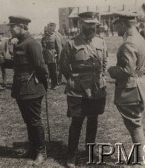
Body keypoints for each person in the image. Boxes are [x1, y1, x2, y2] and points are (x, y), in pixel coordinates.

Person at [60, 12, 107, 168]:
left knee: (93, 119)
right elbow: (64, 66)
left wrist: (100, 78)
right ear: (81, 24)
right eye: (88, 23)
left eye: (94, 23)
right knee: (77, 121)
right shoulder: (71, 43)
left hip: (96, 87)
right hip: (78, 89)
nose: (92, 26)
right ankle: (71, 155)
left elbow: (104, 62)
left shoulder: (100, 42)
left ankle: (90, 150)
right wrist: (75, 80)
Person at [108, 12, 145, 166]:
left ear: (122, 24)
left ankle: (141, 161)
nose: (114, 28)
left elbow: (126, 71)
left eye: (115, 25)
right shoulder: (140, 39)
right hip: (139, 87)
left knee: (134, 125)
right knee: (135, 123)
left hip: (130, 90)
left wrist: (111, 70)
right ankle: (139, 157)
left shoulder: (129, 43)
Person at [3, 16, 48, 165]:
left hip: (32, 88)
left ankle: (41, 152)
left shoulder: (32, 43)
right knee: (28, 121)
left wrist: (43, 83)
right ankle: (33, 149)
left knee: (34, 121)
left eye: (12, 27)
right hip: (20, 88)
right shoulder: (19, 43)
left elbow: (40, 66)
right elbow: (17, 64)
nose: (10, 29)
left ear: (21, 27)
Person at [41, 24, 62, 89]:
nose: (48, 29)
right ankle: (50, 83)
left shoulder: (56, 36)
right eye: (48, 28)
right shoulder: (45, 37)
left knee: (54, 70)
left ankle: (55, 84)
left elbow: (59, 48)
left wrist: (59, 57)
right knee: (49, 69)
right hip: (47, 55)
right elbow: (43, 45)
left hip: (53, 55)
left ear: (53, 29)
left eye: (50, 28)